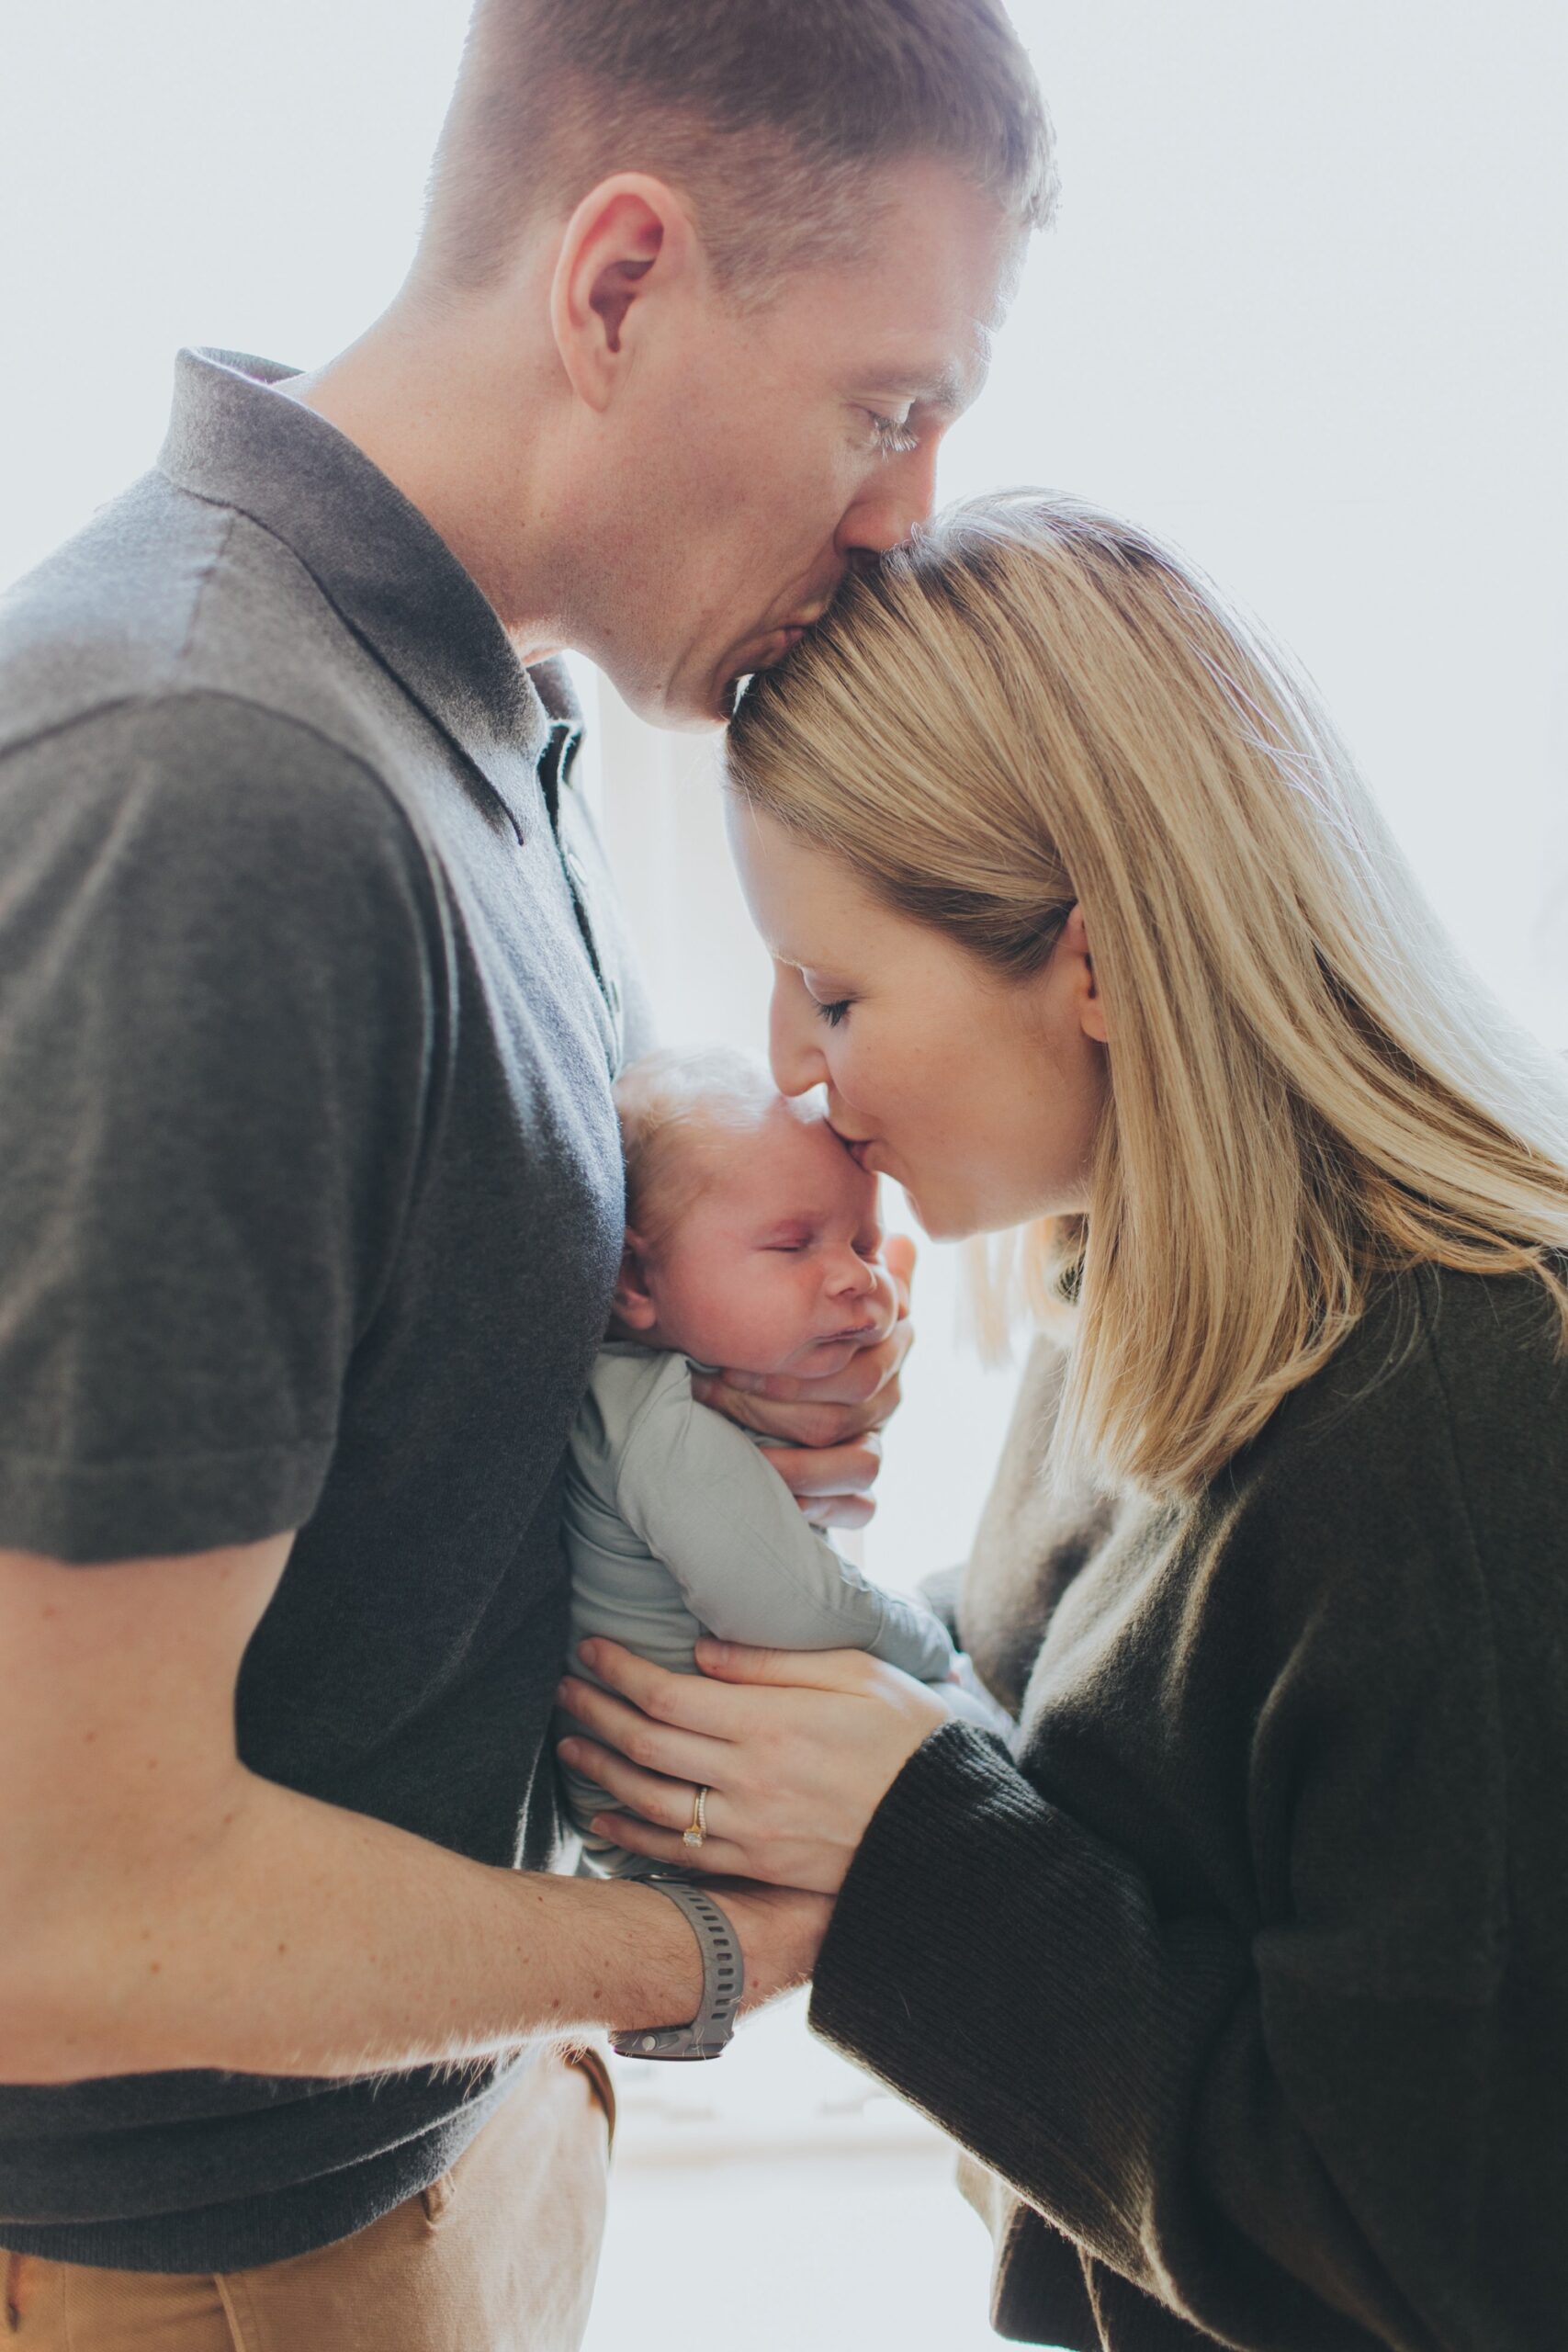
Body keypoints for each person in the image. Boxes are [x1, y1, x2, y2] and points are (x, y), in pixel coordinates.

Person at [0, 4, 1054, 2345]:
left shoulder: (474, 701)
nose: (904, 510)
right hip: (204, 2252)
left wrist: (690, 1333)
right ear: (611, 286)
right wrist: (729, 1940)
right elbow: (51, 1901)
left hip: (442, 2105)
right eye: (884, 405)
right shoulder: (215, 784)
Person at [553, 492, 1568, 2350]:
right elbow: (1163, 1744)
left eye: (838, 987)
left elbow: (1450, 2260)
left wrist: (907, 1847)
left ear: (1089, 964)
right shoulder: (1136, 1291)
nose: (793, 1064)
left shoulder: (1469, 1422)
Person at [558, 1046, 1005, 1878]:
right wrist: (932, 1648)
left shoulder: (685, 1386)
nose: (854, 1279)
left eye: (864, 1242)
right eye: (794, 1245)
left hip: (721, 1775)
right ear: (632, 1279)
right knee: (984, 1746)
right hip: (694, 1803)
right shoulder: (659, 1422)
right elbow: (792, 1609)